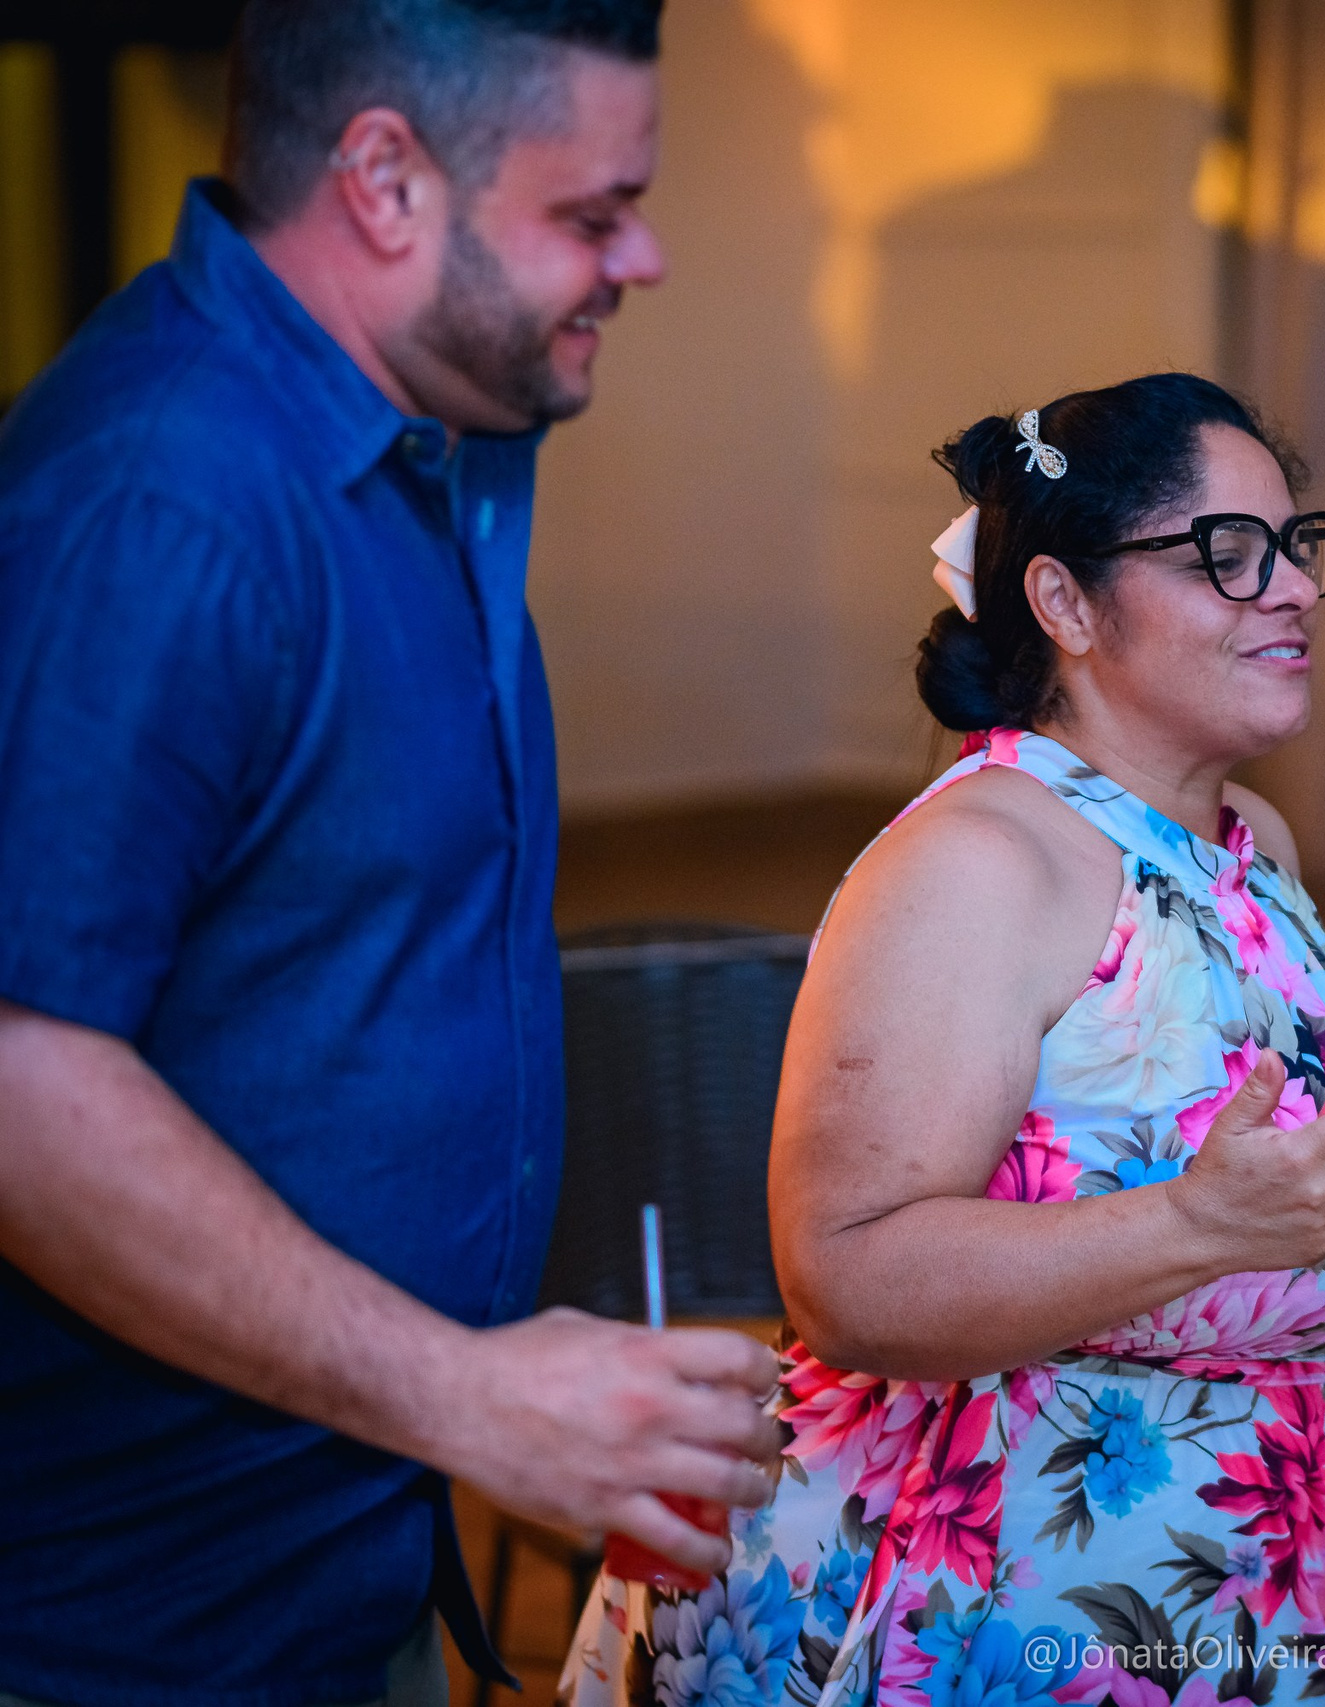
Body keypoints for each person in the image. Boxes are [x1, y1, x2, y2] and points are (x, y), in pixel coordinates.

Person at [561, 373, 1325, 1705]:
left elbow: (1272, 1179)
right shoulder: (982, 860)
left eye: (1297, 547)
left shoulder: (1251, 844)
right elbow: (847, 1273)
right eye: (1227, 556)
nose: (1291, 587)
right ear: (1065, 603)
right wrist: (1200, 1222)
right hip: (995, 1595)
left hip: (1229, 1575)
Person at [0, 5, 784, 1704]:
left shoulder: (423, 438)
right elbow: (21, 1082)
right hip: (127, 1627)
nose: (642, 257)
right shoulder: (164, 503)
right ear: (382, 181)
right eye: (592, 212)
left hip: (340, 1556)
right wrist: (466, 1392)